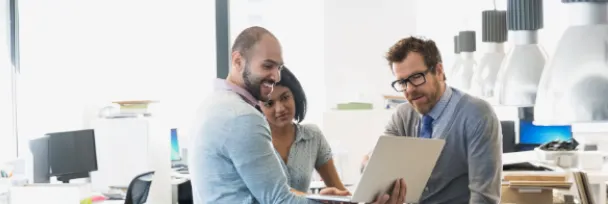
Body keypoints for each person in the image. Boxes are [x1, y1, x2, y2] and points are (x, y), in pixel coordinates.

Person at [188, 26, 407, 204]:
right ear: (237, 61)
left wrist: (322, 199)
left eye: (278, 67)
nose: (274, 76)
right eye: (267, 66)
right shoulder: (243, 117)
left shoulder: (210, 105)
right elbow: (278, 199)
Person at [378, 36, 502, 203]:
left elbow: (484, 198)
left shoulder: (477, 114)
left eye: (416, 77)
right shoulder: (402, 116)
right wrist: (368, 164)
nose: (409, 90)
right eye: (402, 82)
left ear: (439, 71)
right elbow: (378, 168)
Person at [259, 67, 347, 193]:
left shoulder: (312, 136)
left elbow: (340, 191)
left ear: (295, 96)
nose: (280, 109)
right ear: (259, 107)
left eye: (285, 97)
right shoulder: (255, 141)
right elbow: (275, 194)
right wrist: (317, 201)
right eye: (269, 103)